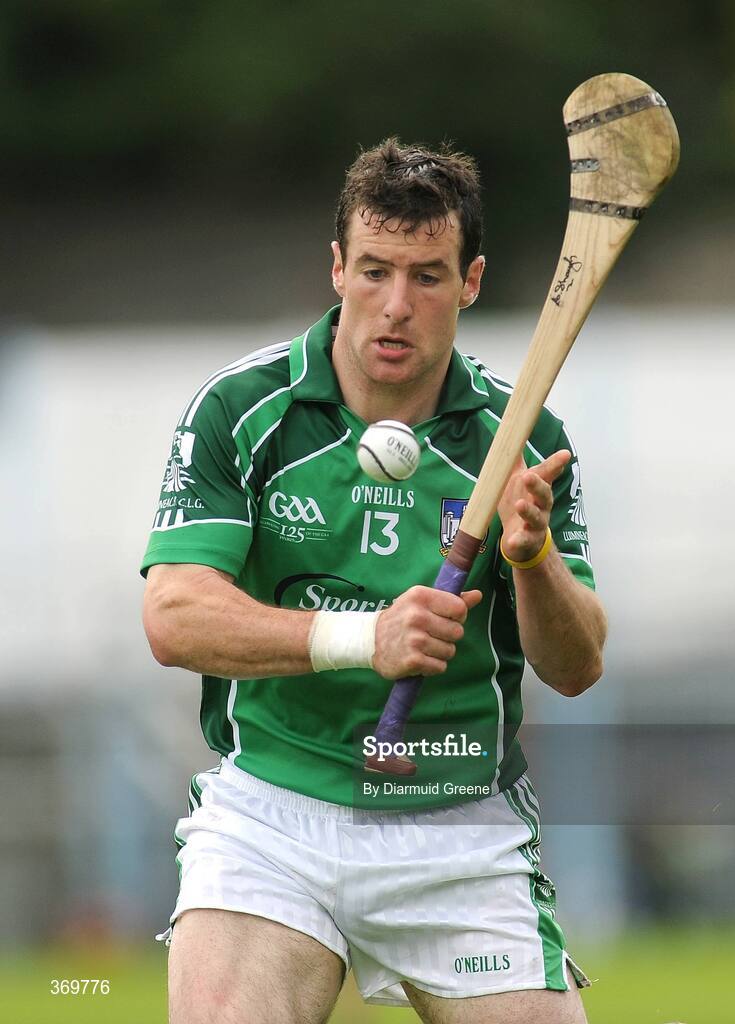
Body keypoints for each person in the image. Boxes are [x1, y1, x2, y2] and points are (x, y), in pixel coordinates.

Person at [142, 138, 607, 1024]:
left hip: (460, 827)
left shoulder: (523, 434)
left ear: (470, 282)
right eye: (375, 271)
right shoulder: (244, 412)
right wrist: (364, 638)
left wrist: (533, 558)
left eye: (427, 277)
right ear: (336, 269)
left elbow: (577, 666)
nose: (395, 307)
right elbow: (173, 617)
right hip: (275, 818)